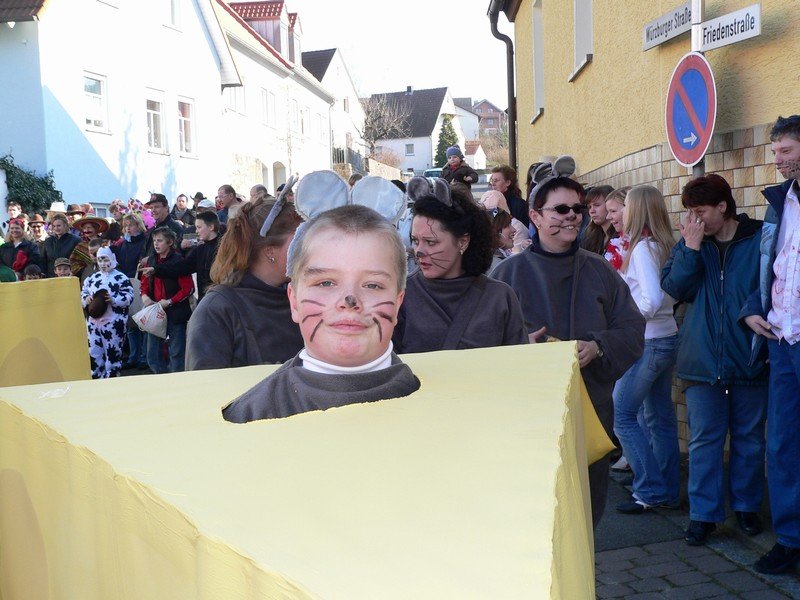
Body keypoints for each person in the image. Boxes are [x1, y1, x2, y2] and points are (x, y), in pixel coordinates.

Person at [492, 163, 645, 528]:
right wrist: (520, 348)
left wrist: (598, 347)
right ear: (535, 216)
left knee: (585, 512)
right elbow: (483, 346)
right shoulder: (506, 275)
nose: (572, 216)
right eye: (560, 209)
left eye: (577, 209)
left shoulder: (599, 270)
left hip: (589, 410)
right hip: (530, 415)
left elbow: (631, 328)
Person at [223, 204, 420, 423]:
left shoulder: (442, 410)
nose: (350, 301)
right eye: (326, 283)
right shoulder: (248, 415)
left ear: (397, 303)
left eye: (373, 285)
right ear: (294, 302)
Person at [661, 173, 767, 547]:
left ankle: (747, 508)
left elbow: (773, 287)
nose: (694, 219)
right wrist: (690, 250)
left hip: (749, 355)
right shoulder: (691, 243)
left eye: (701, 211)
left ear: (723, 206)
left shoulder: (760, 238)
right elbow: (674, 288)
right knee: (705, 440)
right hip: (702, 359)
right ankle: (703, 516)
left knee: (749, 439)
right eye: (690, 212)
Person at [741, 114, 800, 574]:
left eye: (786, 151)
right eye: (776, 151)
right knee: (781, 445)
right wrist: (751, 307)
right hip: (782, 340)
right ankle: (790, 540)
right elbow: (770, 264)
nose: (777, 159)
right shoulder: (781, 202)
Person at [608, 186, 680, 514]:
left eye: (624, 206)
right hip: (665, 337)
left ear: (636, 210)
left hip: (648, 341)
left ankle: (650, 489)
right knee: (659, 417)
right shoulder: (663, 244)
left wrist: (625, 320)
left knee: (622, 415)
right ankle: (665, 489)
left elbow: (650, 299)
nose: (620, 212)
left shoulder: (641, 249)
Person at [393, 179, 527, 353]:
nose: (419, 251)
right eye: (415, 241)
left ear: (463, 242)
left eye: (431, 242)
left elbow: (518, 362)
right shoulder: (401, 297)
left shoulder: (500, 297)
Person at [186, 197, 304, 370]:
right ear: (270, 251)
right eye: (299, 241)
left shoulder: (302, 297)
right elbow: (205, 382)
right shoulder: (216, 310)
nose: (309, 248)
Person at [139, 227, 194, 373]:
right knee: (152, 354)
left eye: (160, 241)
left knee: (176, 353)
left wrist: (169, 301)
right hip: (155, 310)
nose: (156, 244)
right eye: (154, 241)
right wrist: (144, 296)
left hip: (176, 312)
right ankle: (161, 379)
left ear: (170, 242)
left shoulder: (178, 261)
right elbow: (144, 283)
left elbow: (188, 288)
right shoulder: (151, 260)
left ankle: (177, 382)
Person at [142, 210, 220, 301]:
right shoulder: (200, 249)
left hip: (220, 298)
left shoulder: (223, 248)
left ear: (211, 227)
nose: (196, 231)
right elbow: (182, 266)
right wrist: (156, 269)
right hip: (204, 299)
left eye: (199, 227)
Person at [81, 247, 134, 379]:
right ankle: (97, 378)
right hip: (93, 323)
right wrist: (86, 299)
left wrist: (114, 300)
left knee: (113, 352)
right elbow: (83, 293)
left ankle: (112, 378)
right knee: (94, 352)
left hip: (113, 322)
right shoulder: (92, 278)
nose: (103, 263)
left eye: (105, 260)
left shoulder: (121, 278)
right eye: (100, 260)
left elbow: (129, 296)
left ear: (111, 259)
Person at [139, 194, 184, 261]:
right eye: (151, 208)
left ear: (166, 208)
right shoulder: (152, 229)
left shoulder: (175, 228)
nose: (153, 210)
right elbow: (145, 250)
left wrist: (150, 260)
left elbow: (175, 255)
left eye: (156, 207)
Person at [580, 185, 615, 255]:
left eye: (597, 205)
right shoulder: (589, 237)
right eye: (589, 207)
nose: (591, 211)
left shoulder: (622, 237)